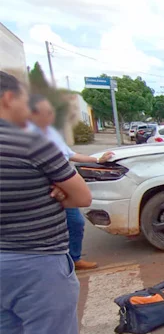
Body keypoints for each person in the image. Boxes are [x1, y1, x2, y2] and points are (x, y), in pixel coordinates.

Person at [0, 71, 122, 334]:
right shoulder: (28, 142)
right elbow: (82, 196)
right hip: (36, 261)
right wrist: (54, 192)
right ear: (7, 99)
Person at [27, 95, 113, 270]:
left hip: (63, 188)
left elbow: (72, 155)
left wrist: (98, 160)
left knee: (75, 223)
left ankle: (74, 259)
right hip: (45, 190)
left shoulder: (51, 134)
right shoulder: (28, 137)